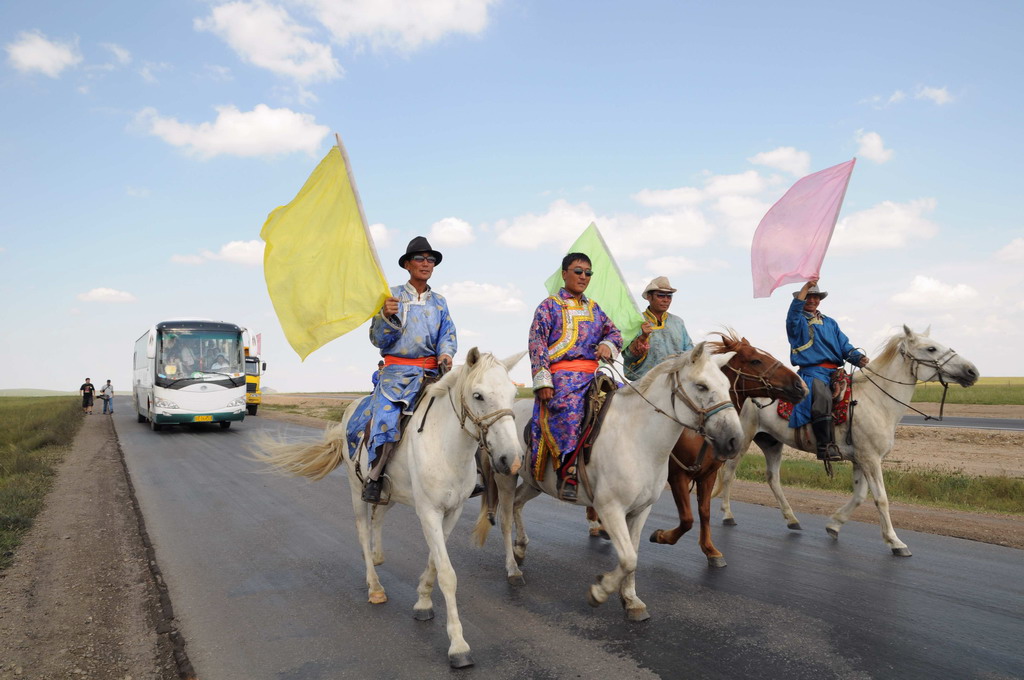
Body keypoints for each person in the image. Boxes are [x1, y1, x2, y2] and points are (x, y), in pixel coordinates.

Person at [348, 236, 457, 504]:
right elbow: (377, 339)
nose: (426, 263)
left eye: (430, 260)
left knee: (463, 413)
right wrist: (385, 317)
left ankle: (467, 475)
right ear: (407, 264)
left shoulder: (440, 302)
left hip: (432, 374)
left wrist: (446, 353)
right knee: (386, 418)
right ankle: (375, 476)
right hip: (396, 376)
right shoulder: (390, 297)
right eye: (420, 258)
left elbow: (448, 334)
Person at [528, 253, 622, 502]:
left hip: (593, 373)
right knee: (570, 412)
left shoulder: (595, 309)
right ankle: (567, 470)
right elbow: (536, 344)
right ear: (564, 273)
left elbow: (615, 334)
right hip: (562, 377)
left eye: (588, 273)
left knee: (624, 400)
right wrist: (543, 381)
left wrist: (607, 345)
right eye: (578, 271)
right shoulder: (549, 306)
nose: (583, 277)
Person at [787, 280, 869, 461]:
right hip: (813, 372)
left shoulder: (831, 323)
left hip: (835, 372)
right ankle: (825, 446)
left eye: (815, 296)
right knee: (822, 398)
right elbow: (794, 312)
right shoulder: (797, 321)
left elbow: (845, 347)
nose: (812, 300)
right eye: (808, 296)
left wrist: (859, 358)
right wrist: (805, 287)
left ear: (820, 300)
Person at [621, 276, 693, 380]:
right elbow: (627, 355)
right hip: (644, 383)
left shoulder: (678, 322)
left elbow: (689, 352)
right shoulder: (636, 321)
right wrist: (642, 338)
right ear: (649, 297)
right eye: (660, 296)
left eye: (669, 296)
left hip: (675, 382)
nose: (666, 300)